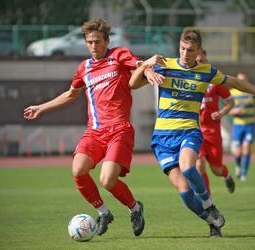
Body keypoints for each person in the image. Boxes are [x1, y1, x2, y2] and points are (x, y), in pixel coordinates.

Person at [129, 28, 255, 237]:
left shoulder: (207, 72)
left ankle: (209, 205)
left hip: (189, 131)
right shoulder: (164, 65)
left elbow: (234, 82)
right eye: (182, 48)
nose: (184, 53)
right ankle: (210, 220)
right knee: (185, 194)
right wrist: (145, 65)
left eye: (190, 50)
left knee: (190, 168)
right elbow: (132, 84)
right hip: (162, 138)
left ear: (198, 50)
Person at [23, 18, 163, 237]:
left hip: (119, 129)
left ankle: (135, 208)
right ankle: (104, 212)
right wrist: (41, 108)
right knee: (78, 171)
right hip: (95, 132)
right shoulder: (84, 68)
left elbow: (138, 65)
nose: (94, 46)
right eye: (90, 42)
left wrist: (148, 69)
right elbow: (71, 95)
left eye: (97, 41)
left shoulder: (118, 55)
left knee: (107, 180)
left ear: (106, 41)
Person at [195, 49, 235, 194]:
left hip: (212, 130)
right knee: (199, 165)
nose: (199, 62)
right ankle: (208, 199)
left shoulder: (214, 77)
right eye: (196, 60)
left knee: (217, 169)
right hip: (195, 129)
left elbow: (231, 102)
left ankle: (226, 175)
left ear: (206, 58)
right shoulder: (189, 78)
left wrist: (222, 113)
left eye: (201, 59)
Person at [229, 72, 255, 182]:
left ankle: (244, 173)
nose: (242, 82)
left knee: (246, 147)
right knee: (237, 152)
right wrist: (233, 111)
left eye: (244, 80)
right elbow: (226, 109)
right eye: (240, 80)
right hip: (237, 125)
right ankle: (237, 166)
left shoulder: (252, 94)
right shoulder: (232, 93)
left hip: (250, 124)